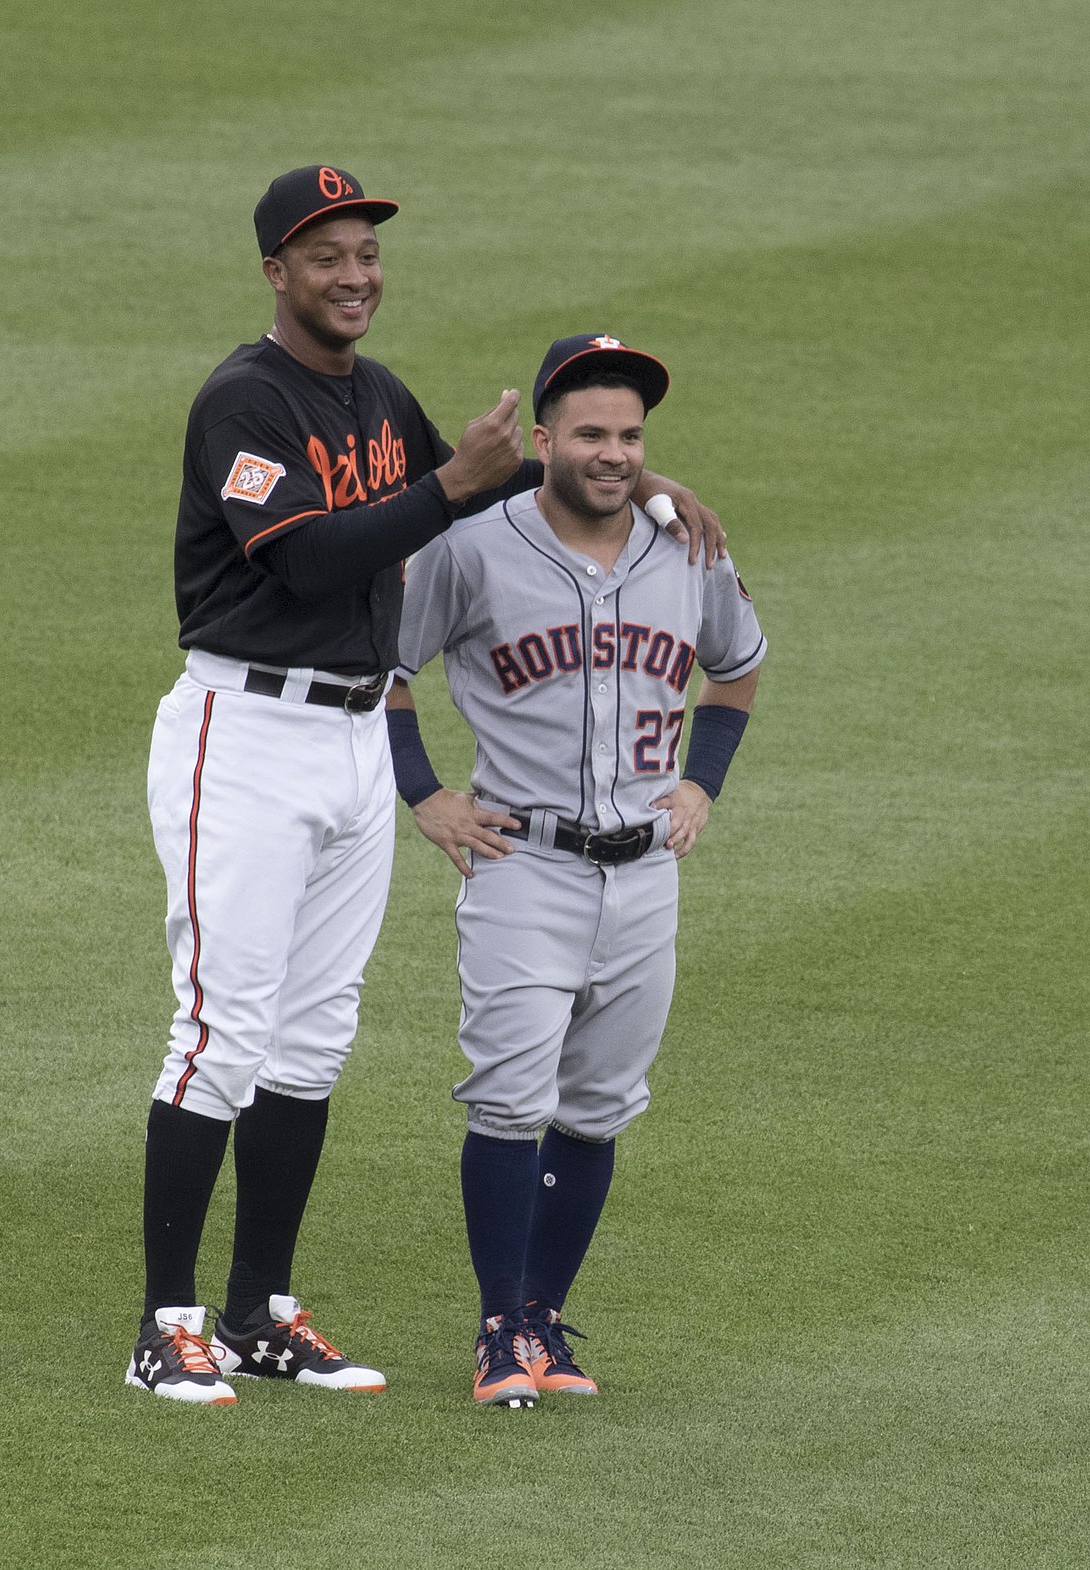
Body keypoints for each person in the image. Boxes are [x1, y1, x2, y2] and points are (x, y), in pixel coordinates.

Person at [127, 164, 727, 1407]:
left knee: (312, 1036)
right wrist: (454, 482)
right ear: (276, 274)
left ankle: (261, 1310)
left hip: (350, 739)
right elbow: (307, 561)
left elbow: (505, 482)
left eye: (366, 253)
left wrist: (641, 479)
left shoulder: (379, 398)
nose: (355, 276)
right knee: (220, 1033)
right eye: (327, 256)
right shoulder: (244, 400)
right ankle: (165, 1320)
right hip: (242, 730)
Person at [386, 333, 766, 1407]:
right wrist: (425, 792)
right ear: (542, 439)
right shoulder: (471, 549)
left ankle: (544, 1317)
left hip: (647, 874)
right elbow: (380, 667)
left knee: (597, 1106)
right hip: (524, 865)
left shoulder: (689, 549)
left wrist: (704, 784)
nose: (612, 453)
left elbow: (737, 669)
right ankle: (499, 1327)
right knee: (510, 1097)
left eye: (631, 436)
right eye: (591, 433)